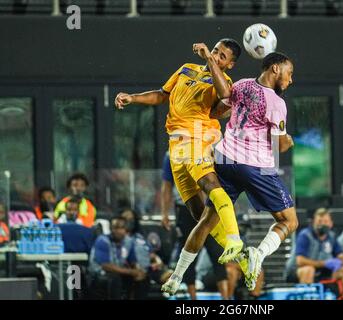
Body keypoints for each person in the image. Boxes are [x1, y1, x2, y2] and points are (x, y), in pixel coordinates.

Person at [165, 52, 298, 295]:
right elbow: (280, 145)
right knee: (289, 221)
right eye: (289, 73)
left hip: (225, 160)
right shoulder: (277, 104)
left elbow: (217, 112)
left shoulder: (240, 85)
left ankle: (177, 275)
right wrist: (289, 140)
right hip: (256, 165)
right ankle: (258, 253)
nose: (291, 80)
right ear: (276, 69)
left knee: (205, 221)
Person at [115, 40, 245, 271]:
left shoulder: (224, 81)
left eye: (222, 56)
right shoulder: (186, 68)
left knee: (211, 186)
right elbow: (161, 95)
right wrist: (133, 98)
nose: (216, 56)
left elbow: (225, 96)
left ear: (230, 65)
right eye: (215, 51)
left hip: (198, 139)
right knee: (197, 212)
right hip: (176, 146)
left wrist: (209, 60)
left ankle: (235, 239)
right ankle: (243, 258)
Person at [161, 151, 229, 299]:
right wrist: (165, 213)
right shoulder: (171, 154)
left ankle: (226, 299)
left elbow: (220, 179)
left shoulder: (207, 148)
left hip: (209, 206)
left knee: (217, 252)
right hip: (186, 208)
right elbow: (167, 185)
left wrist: (225, 208)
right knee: (188, 251)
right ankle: (193, 300)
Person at [295, 208, 343, 299]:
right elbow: (299, 260)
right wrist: (323, 263)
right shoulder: (305, 235)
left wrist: (340, 261)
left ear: (331, 224)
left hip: (325, 272)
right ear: (314, 222)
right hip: (304, 271)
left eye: (325, 221)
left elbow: (341, 255)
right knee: (308, 270)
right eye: (319, 221)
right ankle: (306, 297)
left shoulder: (332, 236)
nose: (322, 224)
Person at [89, 217, 147, 300]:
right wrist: (131, 272)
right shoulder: (102, 240)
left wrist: (138, 271)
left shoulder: (128, 242)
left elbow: (133, 261)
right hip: (98, 275)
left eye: (121, 228)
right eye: (115, 227)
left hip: (118, 272)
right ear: (111, 229)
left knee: (143, 278)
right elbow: (106, 266)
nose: (118, 231)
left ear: (126, 229)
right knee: (115, 278)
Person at [120, 208, 172, 288]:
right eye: (126, 219)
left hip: (147, 267)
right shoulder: (118, 238)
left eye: (131, 219)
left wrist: (158, 262)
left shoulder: (139, 237)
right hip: (129, 267)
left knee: (165, 276)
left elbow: (152, 254)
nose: (129, 221)